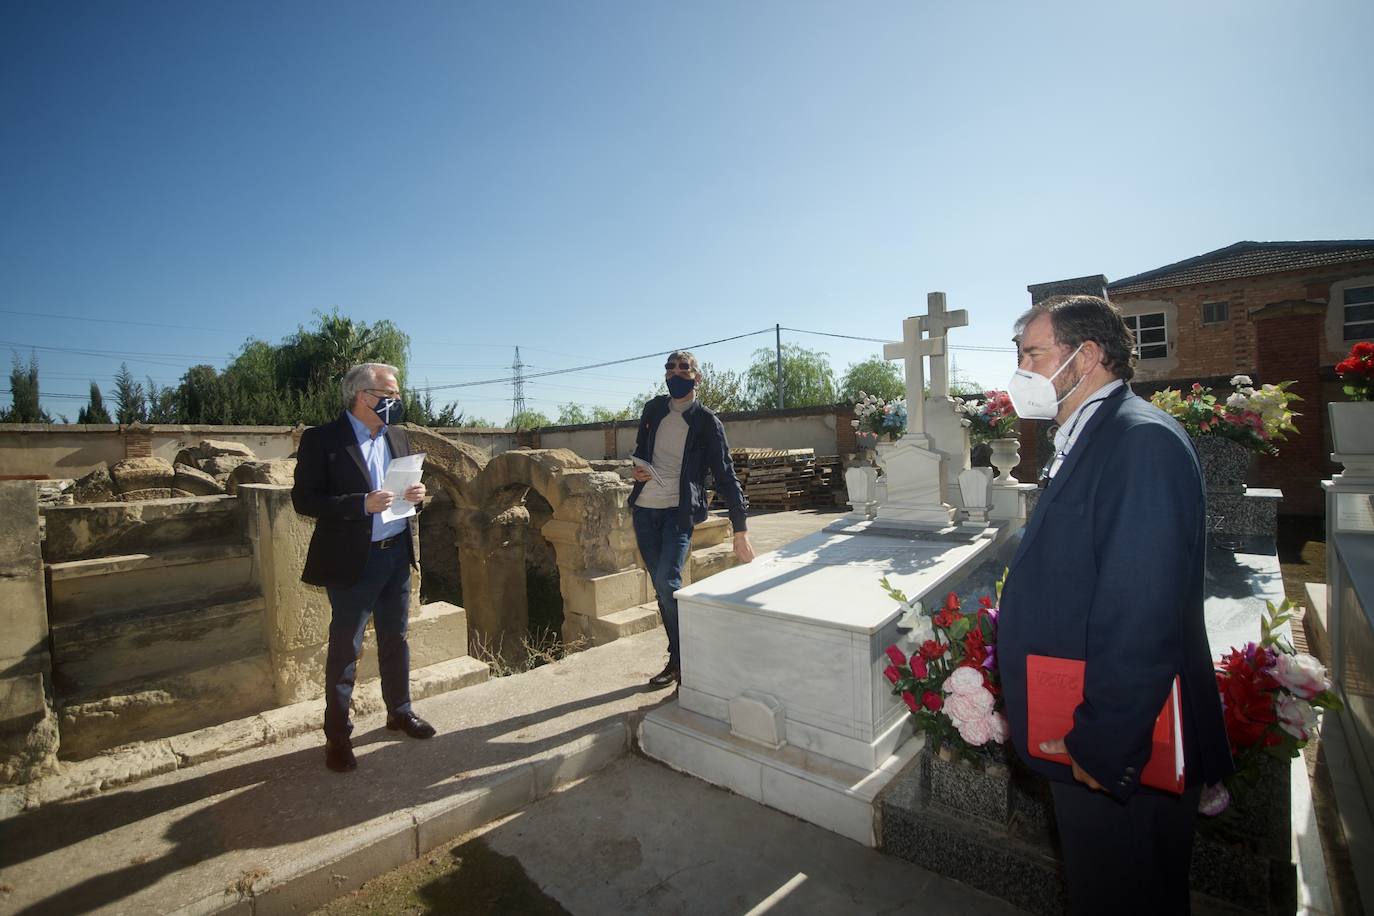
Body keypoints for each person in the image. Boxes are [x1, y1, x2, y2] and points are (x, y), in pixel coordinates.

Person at [997, 296, 1233, 913]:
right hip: (1077, 725)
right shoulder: (1086, 434)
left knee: (1125, 895)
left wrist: (1105, 743)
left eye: (1033, 354)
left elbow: (1142, 608)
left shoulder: (1139, 442)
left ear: (1087, 356)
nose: (1021, 370)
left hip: (1112, 749)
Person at [292, 362, 434, 773]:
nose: (397, 401)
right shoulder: (323, 440)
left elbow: (408, 497)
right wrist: (359, 504)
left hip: (395, 556)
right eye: (390, 395)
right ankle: (337, 736)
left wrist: (418, 495)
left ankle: (400, 712)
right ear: (363, 396)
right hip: (353, 562)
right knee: (346, 649)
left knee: (396, 639)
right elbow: (305, 500)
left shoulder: (399, 435)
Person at [630, 350, 755, 688]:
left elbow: (726, 476)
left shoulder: (706, 422)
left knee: (668, 585)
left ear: (697, 377)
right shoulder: (653, 410)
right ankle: (681, 658)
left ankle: (684, 657)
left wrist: (739, 530)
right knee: (661, 587)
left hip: (678, 512)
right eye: (669, 368)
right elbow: (641, 450)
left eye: (683, 368)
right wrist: (637, 469)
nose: (675, 373)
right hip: (644, 510)